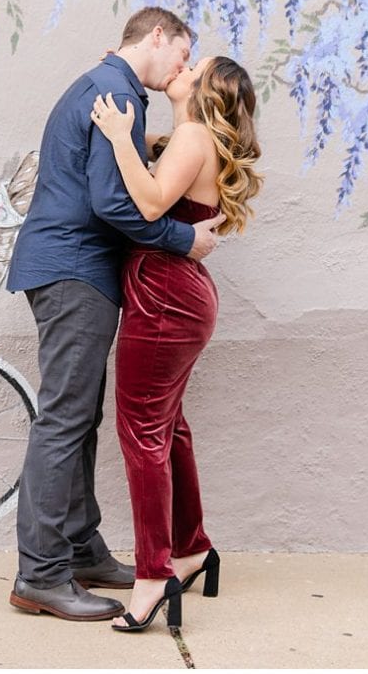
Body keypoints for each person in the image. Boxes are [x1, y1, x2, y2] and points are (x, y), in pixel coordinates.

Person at [5, 6, 220, 623]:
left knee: (80, 416)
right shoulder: (115, 92)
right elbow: (111, 203)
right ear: (157, 36)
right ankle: (40, 575)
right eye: (184, 50)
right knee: (64, 419)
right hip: (73, 268)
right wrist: (184, 242)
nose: (185, 63)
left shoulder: (114, 89)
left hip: (77, 269)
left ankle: (81, 550)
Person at [91, 54, 263, 633]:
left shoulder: (193, 135)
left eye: (197, 64)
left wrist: (119, 136)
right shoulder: (190, 137)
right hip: (179, 292)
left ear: (206, 89)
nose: (183, 66)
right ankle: (190, 548)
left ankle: (153, 574)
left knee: (140, 432)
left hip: (165, 293)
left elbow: (148, 203)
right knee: (168, 428)